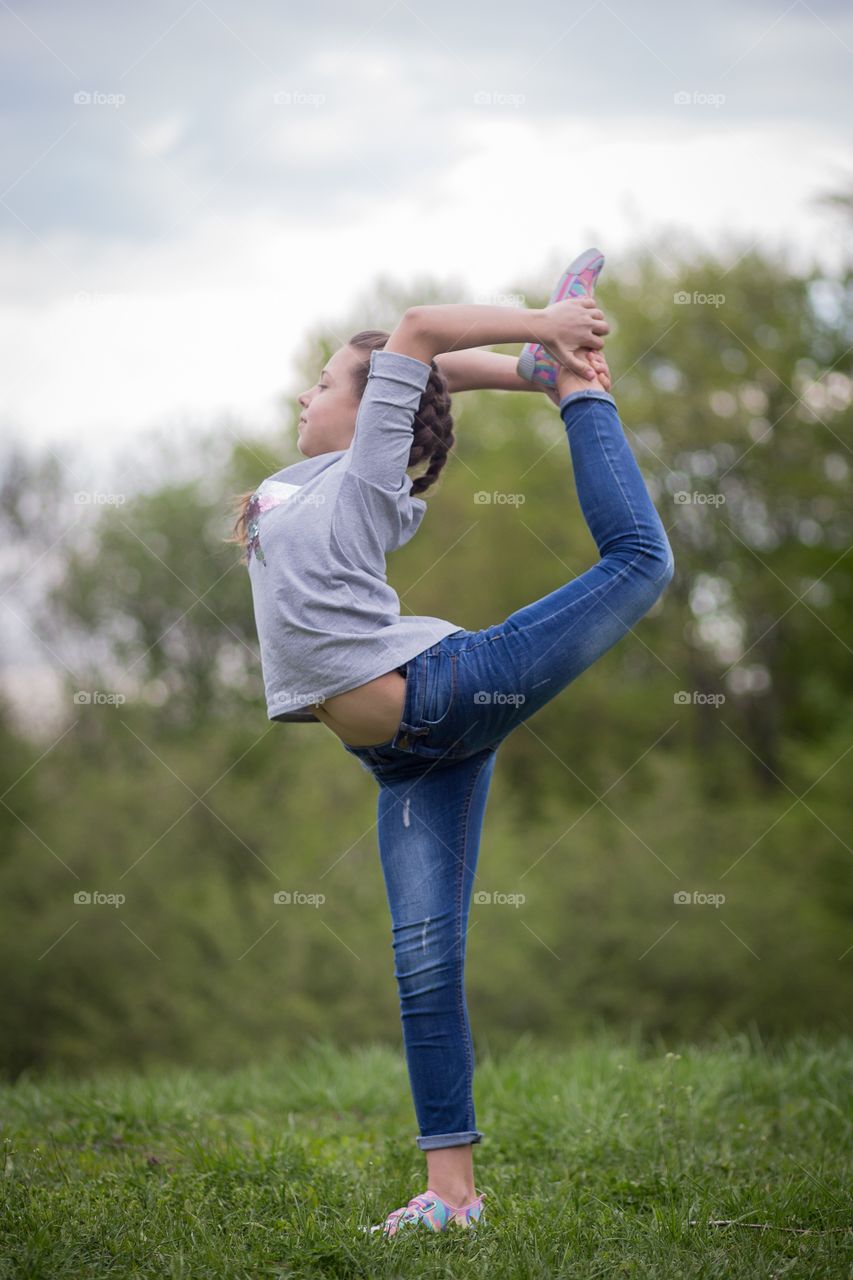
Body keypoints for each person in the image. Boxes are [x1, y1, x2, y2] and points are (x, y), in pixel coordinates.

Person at [226, 266, 675, 1238]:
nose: (307, 391)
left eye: (324, 381)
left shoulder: (363, 476)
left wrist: (558, 337)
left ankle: (590, 405)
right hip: (406, 757)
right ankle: (452, 1196)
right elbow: (427, 370)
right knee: (423, 963)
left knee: (640, 564)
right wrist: (529, 364)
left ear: (367, 411)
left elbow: (420, 332)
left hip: (449, 687)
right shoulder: (294, 484)